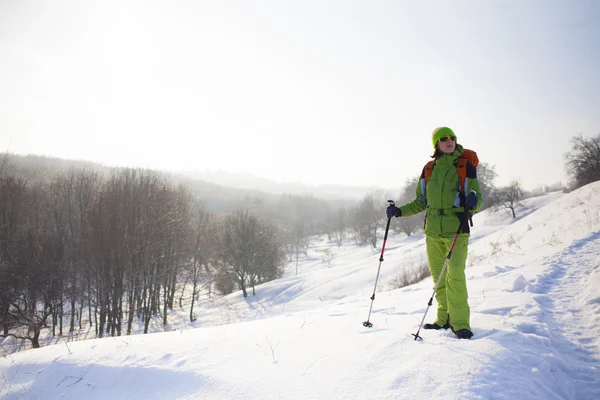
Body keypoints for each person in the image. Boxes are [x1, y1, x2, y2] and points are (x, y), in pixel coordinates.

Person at [386, 127, 482, 339]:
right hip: (432, 231)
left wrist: (473, 201)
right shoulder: (429, 169)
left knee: (455, 277)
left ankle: (460, 324)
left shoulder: (465, 166)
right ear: (436, 144)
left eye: (452, 138)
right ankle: (443, 319)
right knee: (439, 278)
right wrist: (399, 211)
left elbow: (477, 197)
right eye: (444, 139)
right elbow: (421, 201)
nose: (449, 141)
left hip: (456, 228)